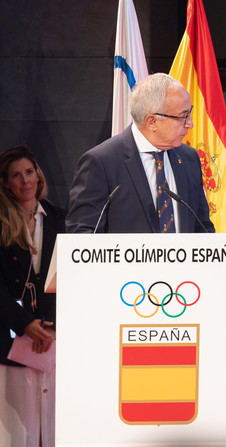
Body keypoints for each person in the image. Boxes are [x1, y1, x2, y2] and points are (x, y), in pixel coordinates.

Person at [66, 73, 214, 233]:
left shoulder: (188, 159)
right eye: (183, 116)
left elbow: (202, 229)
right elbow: (82, 234)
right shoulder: (102, 162)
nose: (190, 124)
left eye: (189, 113)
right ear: (152, 122)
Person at [0, 145, 64, 447]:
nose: (26, 180)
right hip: (11, 340)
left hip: (52, 337)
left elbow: (68, 279)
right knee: (19, 428)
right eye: (16, 175)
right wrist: (25, 324)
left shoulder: (60, 220)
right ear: (5, 183)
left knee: (53, 425)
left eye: (29, 172)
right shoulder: (1, 224)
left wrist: (49, 326)